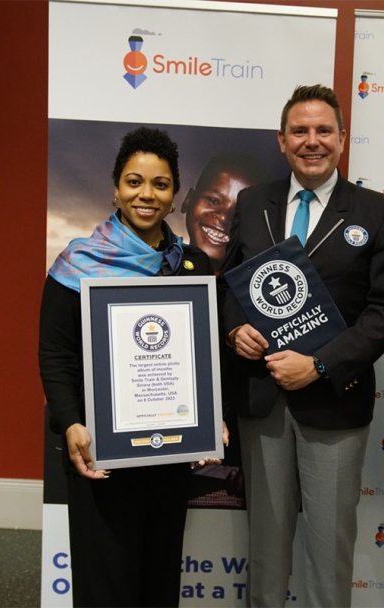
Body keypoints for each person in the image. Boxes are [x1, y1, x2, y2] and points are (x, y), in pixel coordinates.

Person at [221, 84, 384, 606]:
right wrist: (236, 328)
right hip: (262, 401)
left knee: (329, 555)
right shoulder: (252, 202)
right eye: (300, 131)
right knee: (265, 552)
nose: (312, 141)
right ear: (281, 141)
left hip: (334, 402)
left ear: (342, 139)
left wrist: (320, 364)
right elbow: (228, 284)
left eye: (323, 130)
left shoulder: (377, 213)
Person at [39, 126, 226, 607]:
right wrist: (72, 423)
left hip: (167, 452)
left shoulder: (192, 266)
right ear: (116, 188)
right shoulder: (78, 263)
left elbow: (201, 353)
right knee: (106, 582)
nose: (146, 194)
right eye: (134, 181)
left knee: (159, 578)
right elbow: (55, 355)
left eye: (160, 184)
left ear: (174, 194)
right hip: (100, 448)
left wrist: (210, 416)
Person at [181, 153, 270, 273]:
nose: (223, 217)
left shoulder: (257, 287)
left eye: (239, 210)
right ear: (188, 200)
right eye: (214, 200)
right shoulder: (159, 271)